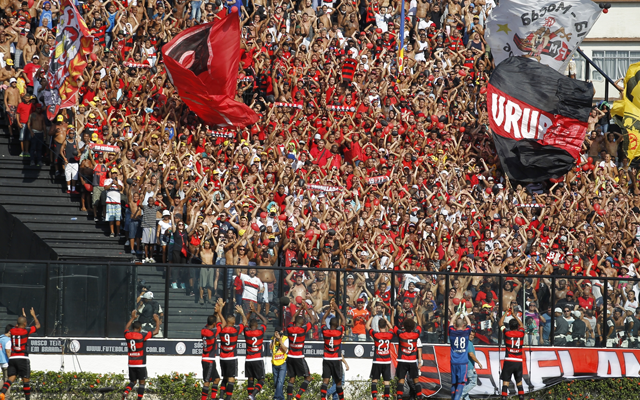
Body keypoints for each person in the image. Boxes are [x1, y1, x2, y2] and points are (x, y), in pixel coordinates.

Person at [0, 307, 40, 400]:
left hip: (13, 358)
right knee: (26, 381)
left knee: (11, 378)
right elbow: (37, 325)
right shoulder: (26, 331)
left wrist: (23, 317)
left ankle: (2, 393)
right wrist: (33, 315)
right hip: (22, 357)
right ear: (25, 324)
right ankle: (27, 399)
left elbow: (19, 324)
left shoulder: (12, 330)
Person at [122, 310, 159, 400]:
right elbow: (156, 331)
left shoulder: (128, 335)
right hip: (140, 363)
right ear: (139, 328)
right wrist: (157, 321)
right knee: (142, 383)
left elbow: (126, 329)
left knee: (133, 382)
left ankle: (126, 392)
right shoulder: (142, 335)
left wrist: (132, 318)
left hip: (131, 362)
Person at [285, 301, 317, 400]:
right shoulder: (303, 329)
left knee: (291, 378)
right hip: (298, 357)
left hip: (290, 357)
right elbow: (313, 320)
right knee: (308, 378)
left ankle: (289, 398)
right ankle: (297, 397)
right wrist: (306, 309)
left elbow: (293, 318)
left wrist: (299, 309)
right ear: (302, 323)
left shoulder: (289, 328)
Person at [215, 300, 246, 400]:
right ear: (233, 322)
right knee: (231, 379)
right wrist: (242, 313)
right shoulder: (236, 329)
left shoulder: (221, 329)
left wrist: (220, 308)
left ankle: (220, 397)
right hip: (232, 358)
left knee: (224, 377)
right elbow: (245, 322)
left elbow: (217, 321)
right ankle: (228, 398)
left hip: (223, 357)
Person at [319, 299, 346, 400]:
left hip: (326, 359)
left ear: (329, 324)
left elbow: (322, 320)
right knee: (339, 383)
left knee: (325, 381)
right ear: (337, 325)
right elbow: (344, 320)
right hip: (336, 360)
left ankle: (323, 398)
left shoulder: (325, 331)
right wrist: (337, 308)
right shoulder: (338, 332)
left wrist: (329, 309)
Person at [392, 316, 423, 400]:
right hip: (412, 360)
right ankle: (420, 397)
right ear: (413, 326)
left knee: (401, 380)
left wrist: (391, 313)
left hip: (402, 360)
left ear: (404, 326)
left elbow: (393, 325)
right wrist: (417, 313)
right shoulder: (416, 334)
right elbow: (420, 325)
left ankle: (399, 397)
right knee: (416, 380)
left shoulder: (401, 334)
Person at [498, 306, 525, 400]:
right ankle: (521, 397)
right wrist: (514, 315)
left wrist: (505, 313)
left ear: (509, 326)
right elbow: (522, 325)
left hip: (509, 360)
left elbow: (500, 323)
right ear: (517, 326)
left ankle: (504, 397)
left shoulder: (507, 333)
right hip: (518, 360)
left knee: (506, 381)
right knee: (519, 381)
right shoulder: (521, 333)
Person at [243, 303, 268, 400]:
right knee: (261, 380)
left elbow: (244, 322)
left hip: (248, 359)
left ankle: (250, 397)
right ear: (257, 325)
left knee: (250, 379)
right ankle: (252, 395)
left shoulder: (246, 332)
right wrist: (255, 311)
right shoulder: (260, 331)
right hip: (257, 359)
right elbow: (265, 321)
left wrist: (249, 312)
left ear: (249, 325)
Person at [365, 315, 393, 400]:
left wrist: (372, 316)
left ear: (378, 326)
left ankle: (374, 398)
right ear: (386, 326)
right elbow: (391, 327)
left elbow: (367, 326)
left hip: (377, 360)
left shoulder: (376, 335)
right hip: (387, 361)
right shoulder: (389, 335)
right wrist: (386, 319)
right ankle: (386, 398)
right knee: (387, 381)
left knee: (374, 380)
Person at [449, 308, 471, 400]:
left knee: (454, 383)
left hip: (454, 361)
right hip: (462, 362)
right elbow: (469, 324)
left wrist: (456, 314)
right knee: (461, 383)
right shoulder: (466, 332)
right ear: (463, 325)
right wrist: (465, 314)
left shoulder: (452, 332)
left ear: (455, 325)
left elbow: (450, 323)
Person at [201, 307, 222, 400]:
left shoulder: (204, 330)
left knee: (217, 379)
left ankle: (213, 398)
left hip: (206, 359)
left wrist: (215, 312)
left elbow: (212, 320)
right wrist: (220, 312)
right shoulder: (213, 332)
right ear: (214, 324)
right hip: (209, 360)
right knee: (207, 382)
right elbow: (224, 324)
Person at [461, 330, 483, 400]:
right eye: (470, 334)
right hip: (469, 367)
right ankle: (460, 395)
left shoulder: (464, 342)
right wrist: (478, 363)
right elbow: (471, 354)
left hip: (464, 366)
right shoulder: (468, 343)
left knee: (466, 385)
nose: (472, 336)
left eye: (473, 335)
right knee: (473, 382)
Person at [271, 329, 289, 400]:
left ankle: (277, 397)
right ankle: (281, 397)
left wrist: (280, 340)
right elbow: (271, 348)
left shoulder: (285, 339)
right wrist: (274, 339)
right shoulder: (273, 339)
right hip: (274, 362)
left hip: (282, 363)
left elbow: (285, 350)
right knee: (276, 382)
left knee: (280, 381)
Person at [0, 326, 10, 396]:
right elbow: (8, 352)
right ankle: (7, 396)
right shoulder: (8, 340)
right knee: (8, 380)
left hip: (1, 360)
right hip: (6, 361)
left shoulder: (0, 338)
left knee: (5, 378)